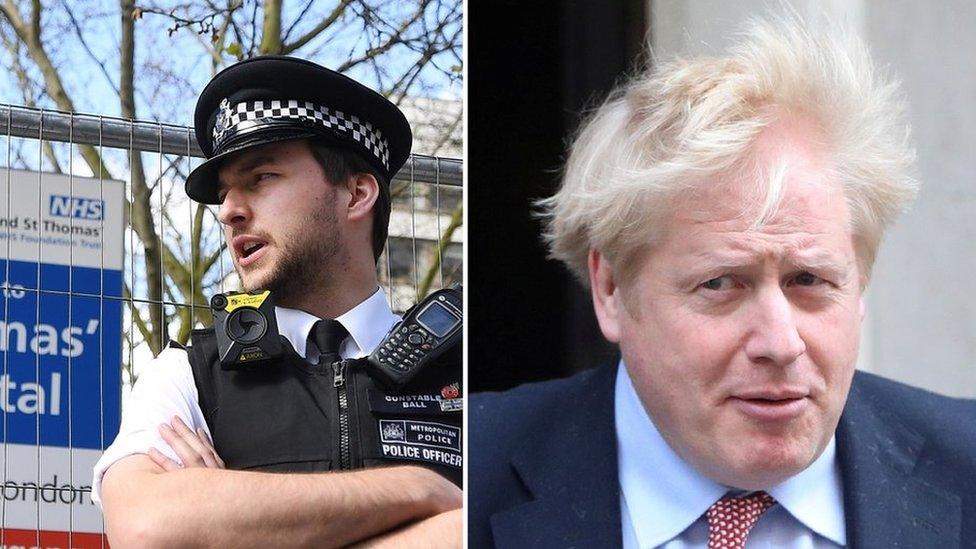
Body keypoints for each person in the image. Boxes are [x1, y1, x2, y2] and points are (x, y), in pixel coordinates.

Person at [469, 17, 976, 549]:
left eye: (809, 279)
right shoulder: (469, 471)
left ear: (861, 284)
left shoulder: (964, 464)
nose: (780, 344)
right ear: (611, 289)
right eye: (721, 284)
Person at [94, 56, 462, 547]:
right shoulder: (189, 375)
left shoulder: (460, 367)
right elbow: (146, 525)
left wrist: (230, 517)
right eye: (224, 192)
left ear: (356, 194)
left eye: (261, 178)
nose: (228, 210)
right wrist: (419, 489)